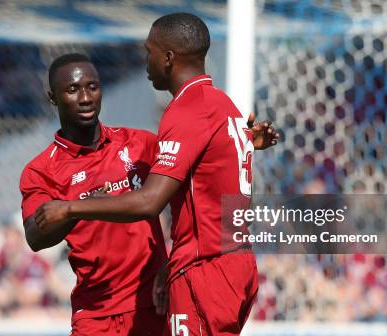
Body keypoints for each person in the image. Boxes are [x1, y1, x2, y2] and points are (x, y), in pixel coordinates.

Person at [34, 13, 280, 335]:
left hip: (205, 269)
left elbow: (150, 201)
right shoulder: (223, 105)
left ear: (167, 58)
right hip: (233, 263)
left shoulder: (186, 111)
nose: (145, 62)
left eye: (148, 52)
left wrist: (70, 206)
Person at [20, 53, 168, 335]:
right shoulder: (41, 170)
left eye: (93, 87)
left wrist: (243, 140)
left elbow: (189, 184)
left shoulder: (141, 144)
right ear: (53, 98)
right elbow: (35, 237)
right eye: (73, 90)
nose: (86, 97)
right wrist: (78, 207)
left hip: (154, 303)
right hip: (96, 314)